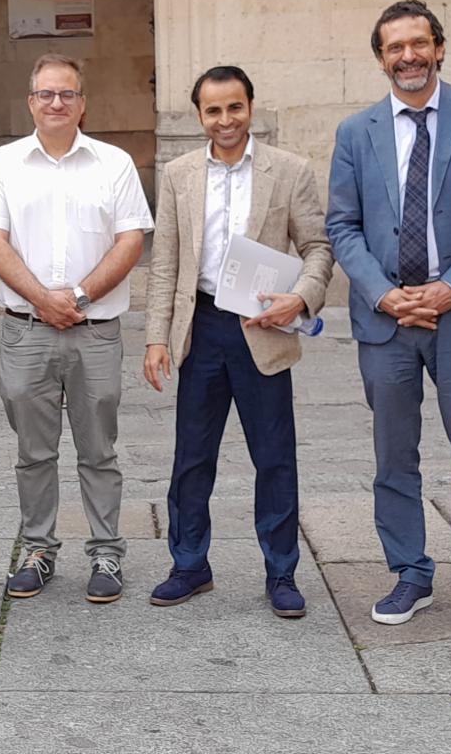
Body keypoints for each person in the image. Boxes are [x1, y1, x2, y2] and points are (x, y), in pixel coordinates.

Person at [325, 0, 451, 636]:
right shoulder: (356, 132)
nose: (407, 56)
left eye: (418, 43)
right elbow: (342, 225)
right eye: (394, 48)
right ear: (380, 58)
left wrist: (450, 290)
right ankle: (410, 571)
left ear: (438, 47)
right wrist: (385, 294)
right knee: (393, 457)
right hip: (387, 321)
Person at [143, 65, 334, 618]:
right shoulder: (178, 174)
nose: (225, 120)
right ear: (199, 115)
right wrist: (156, 337)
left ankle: (281, 572)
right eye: (213, 110)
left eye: (234, 107)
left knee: (274, 457)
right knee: (192, 456)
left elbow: (318, 247)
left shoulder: (289, 170)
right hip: (201, 328)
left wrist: (300, 297)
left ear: (250, 107)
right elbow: (165, 262)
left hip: (261, 327)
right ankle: (189, 564)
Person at [0, 54, 152, 604]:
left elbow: (131, 240)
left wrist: (76, 297)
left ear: (83, 103)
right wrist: (42, 299)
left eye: (68, 94)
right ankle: (37, 550)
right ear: (31, 102)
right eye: (46, 94)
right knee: (33, 452)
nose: (57, 103)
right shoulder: (4, 163)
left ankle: (106, 553)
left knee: (99, 449)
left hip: (94, 330)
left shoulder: (114, 164)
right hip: (26, 331)